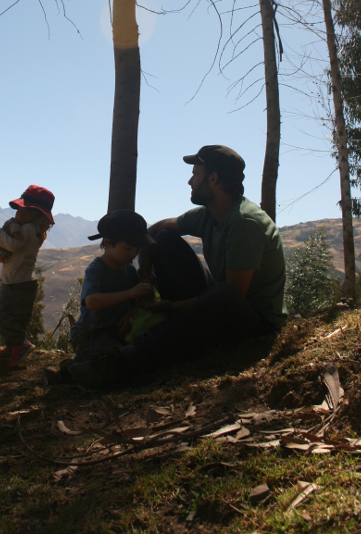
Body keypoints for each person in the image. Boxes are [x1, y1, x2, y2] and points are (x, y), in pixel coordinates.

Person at [68, 145, 286, 389]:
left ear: (213, 179)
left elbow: (233, 297)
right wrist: (145, 277)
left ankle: (123, 361)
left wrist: (173, 308)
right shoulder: (208, 215)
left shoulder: (244, 222)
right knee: (163, 239)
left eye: (195, 174)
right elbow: (154, 231)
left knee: (223, 294)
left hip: (254, 321)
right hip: (218, 301)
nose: (190, 181)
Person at [70, 210, 154, 360]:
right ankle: (72, 368)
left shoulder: (130, 270)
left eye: (137, 249)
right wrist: (129, 293)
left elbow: (137, 302)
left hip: (115, 335)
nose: (133, 254)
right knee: (114, 357)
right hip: (90, 335)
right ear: (108, 243)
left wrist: (130, 314)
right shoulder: (96, 269)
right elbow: (91, 301)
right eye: (128, 248)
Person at [0, 184, 55, 368]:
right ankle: (13, 348)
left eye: (21, 209)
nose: (17, 212)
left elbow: (13, 245)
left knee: (2, 317)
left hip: (16, 283)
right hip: (24, 283)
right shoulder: (35, 231)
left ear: (33, 213)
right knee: (16, 319)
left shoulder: (27, 229)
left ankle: (20, 345)